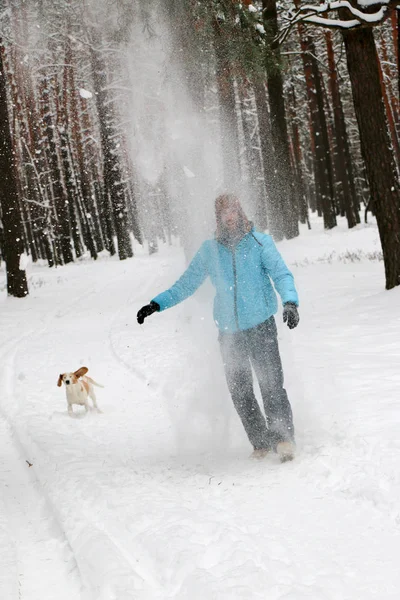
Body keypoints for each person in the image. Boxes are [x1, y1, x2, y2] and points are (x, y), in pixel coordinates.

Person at [137, 193, 300, 461]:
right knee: (240, 390)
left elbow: (281, 274)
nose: (229, 216)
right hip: (229, 333)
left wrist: (291, 303)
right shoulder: (209, 251)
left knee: (271, 384)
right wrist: (157, 304)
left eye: (233, 210)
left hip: (261, 326)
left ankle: (283, 438)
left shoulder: (260, 243)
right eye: (224, 212)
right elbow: (186, 285)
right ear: (218, 217)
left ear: (241, 211)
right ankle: (260, 441)